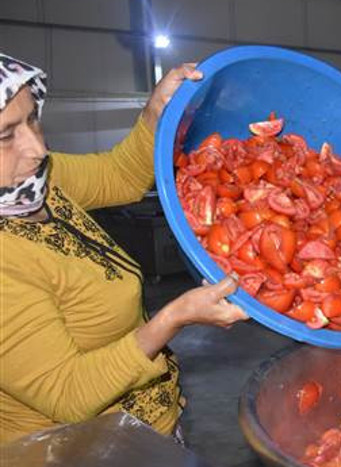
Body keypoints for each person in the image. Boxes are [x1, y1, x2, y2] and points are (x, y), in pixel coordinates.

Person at [0, 53, 248, 444]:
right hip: (76, 461)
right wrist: (172, 319)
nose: (37, 148)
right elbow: (68, 393)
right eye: (5, 135)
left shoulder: (37, 183)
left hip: (148, 433)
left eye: (32, 118)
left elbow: (120, 176)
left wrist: (154, 113)